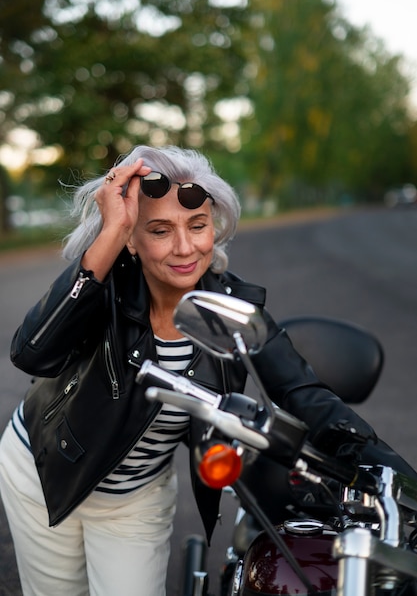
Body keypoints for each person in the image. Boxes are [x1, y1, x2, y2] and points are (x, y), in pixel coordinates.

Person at [0, 145, 415, 596]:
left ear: (213, 227)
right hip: (42, 472)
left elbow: (302, 392)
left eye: (197, 226)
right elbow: (31, 354)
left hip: (134, 497)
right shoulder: (103, 291)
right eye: (159, 230)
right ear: (131, 241)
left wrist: (399, 475)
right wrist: (112, 230)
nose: (184, 247)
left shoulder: (233, 313)